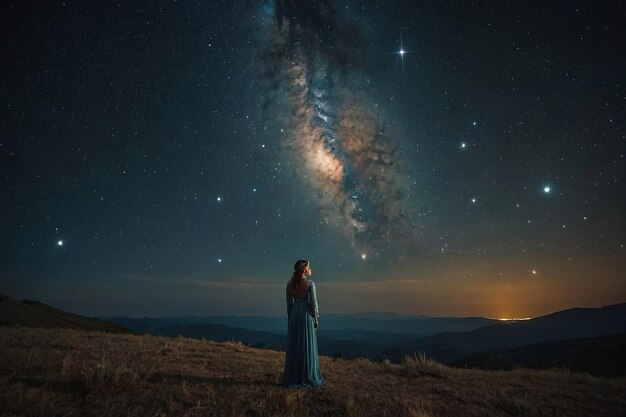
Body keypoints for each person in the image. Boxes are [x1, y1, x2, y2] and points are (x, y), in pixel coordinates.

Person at [282, 259, 324, 388]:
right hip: (306, 314)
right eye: (309, 267)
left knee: (296, 343)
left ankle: (294, 376)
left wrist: (290, 320)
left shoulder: (289, 284)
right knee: (306, 344)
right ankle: (307, 375)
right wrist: (316, 319)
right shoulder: (310, 283)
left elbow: (289, 305)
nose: (310, 269)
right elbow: (314, 303)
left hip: (295, 314)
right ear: (303, 269)